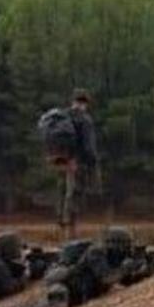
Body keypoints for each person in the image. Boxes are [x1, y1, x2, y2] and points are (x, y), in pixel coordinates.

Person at [0, 227, 154, 307]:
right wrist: (127, 267)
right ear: (116, 244)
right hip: (64, 289)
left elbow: (123, 281)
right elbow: (107, 278)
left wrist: (146, 270)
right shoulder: (96, 252)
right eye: (126, 245)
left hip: (77, 295)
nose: (128, 249)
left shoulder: (112, 259)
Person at [59, 89, 99, 239]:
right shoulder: (84, 120)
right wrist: (93, 162)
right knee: (75, 195)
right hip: (78, 163)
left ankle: (64, 228)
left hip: (62, 162)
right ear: (85, 103)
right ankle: (72, 233)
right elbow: (89, 146)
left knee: (66, 194)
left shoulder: (63, 117)